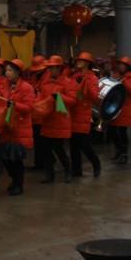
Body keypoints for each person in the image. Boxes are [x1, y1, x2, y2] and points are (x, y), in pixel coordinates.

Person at [0, 59, 34, 196]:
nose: (7, 73)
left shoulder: (27, 88)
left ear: (18, 72)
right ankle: (14, 180)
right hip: (6, 127)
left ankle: (18, 184)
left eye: (10, 70)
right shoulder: (4, 85)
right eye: (7, 70)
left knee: (16, 160)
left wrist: (15, 104)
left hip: (20, 127)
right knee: (5, 158)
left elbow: (29, 108)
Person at [38, 55, 76, 184]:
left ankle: (67, 171)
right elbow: (41, 98)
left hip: (60, 120)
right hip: (48, 120)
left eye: (54, 68)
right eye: (50, 68)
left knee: (59, 149)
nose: (51, 70)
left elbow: (72, 101)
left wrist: (60, 97)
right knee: (47, 151)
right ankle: (49, 175)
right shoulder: (45, 82)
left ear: (60, 68)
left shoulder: (68, 82)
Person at [69, 52, 101, 178]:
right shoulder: (74, 76)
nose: (78, 62)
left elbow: (94, 96)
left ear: (87, 63)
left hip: (83, 113)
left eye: (81, 60)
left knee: (84, 144)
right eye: (78, 60)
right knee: (73, 145)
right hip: (73, 113)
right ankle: (76, 171)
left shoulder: (92, 78)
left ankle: (96, 164)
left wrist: (86, 82)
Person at [109, 56, 131, 165]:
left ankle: (124, 154)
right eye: (119, 64)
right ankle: (118, 151)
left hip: (125, 109)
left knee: (122, 132)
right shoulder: (115, 76)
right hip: (114, 108)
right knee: (112, 131)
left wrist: (123, 81)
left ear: (127, 67)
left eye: (123, 65)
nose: (120, 66)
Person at [26, 55, 48, 170]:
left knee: (43, 142)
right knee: (38, 141)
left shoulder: (47, 80)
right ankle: (39, 164)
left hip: (43, 114)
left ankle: (46, 164)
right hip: (35, 114)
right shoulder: (35, 78)